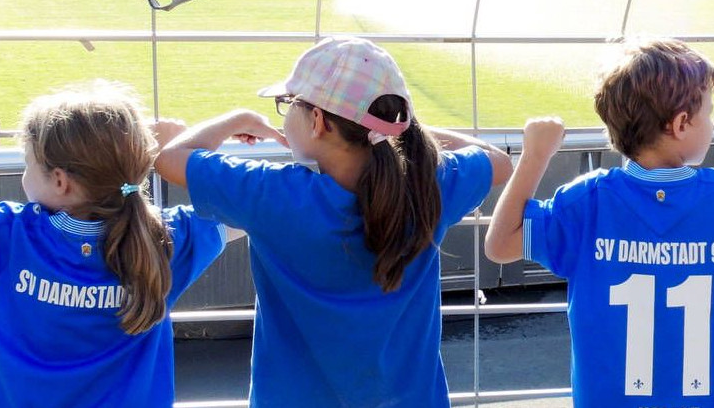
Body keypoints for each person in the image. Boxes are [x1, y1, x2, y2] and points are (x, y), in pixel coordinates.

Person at [154, 36, 513, 407]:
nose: (285, 111)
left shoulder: (271, 194)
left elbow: (170, 157)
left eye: (287, 103)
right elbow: (498, 161)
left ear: (318, 121)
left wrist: (238, 120)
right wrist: (400, 132)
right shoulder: (431, 185)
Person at [484, 39, 714, 407]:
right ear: (682, 123)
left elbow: (499, 244)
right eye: (709, 112)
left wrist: (535, 155)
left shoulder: (587, 201)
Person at [0, 82, 231, 407]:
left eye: (28, 163)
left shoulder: (0, 236)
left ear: (60, 181)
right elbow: (245, 210)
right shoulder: (165, 238)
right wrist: (180, 150)